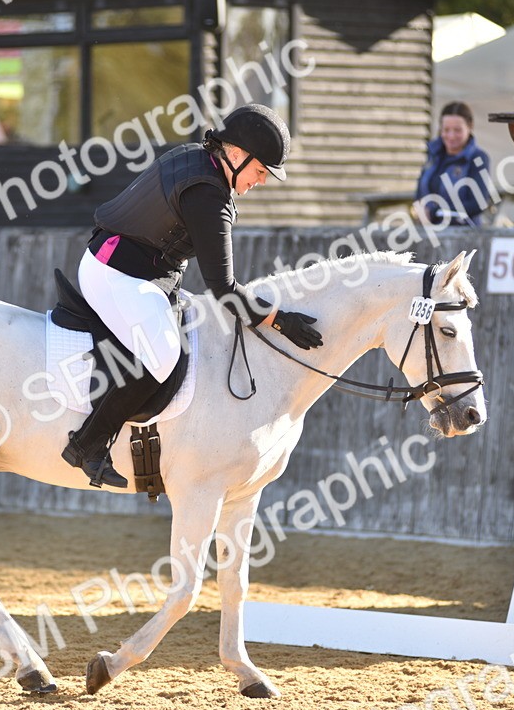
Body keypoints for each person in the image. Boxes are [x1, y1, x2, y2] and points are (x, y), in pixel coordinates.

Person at [60, 103, 323, 489]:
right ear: (236, 154)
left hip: (143, 270)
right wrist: (281, 319)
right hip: (114, 273)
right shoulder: (207, 197)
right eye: (260, 170)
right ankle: (88, 444)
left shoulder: (197, 159)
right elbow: (226, 292)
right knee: (163, 356)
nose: (262, 180)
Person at [414, 101, 493, 227]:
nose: (451, 136)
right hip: (428, 231)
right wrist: (420, 211)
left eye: (457, 130)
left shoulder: (478, 158)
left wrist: (436, 212)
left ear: (470, 127)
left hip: (462, 234)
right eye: (446, 130)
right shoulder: (433, 155)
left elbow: (479, 203)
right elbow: (420, 191)